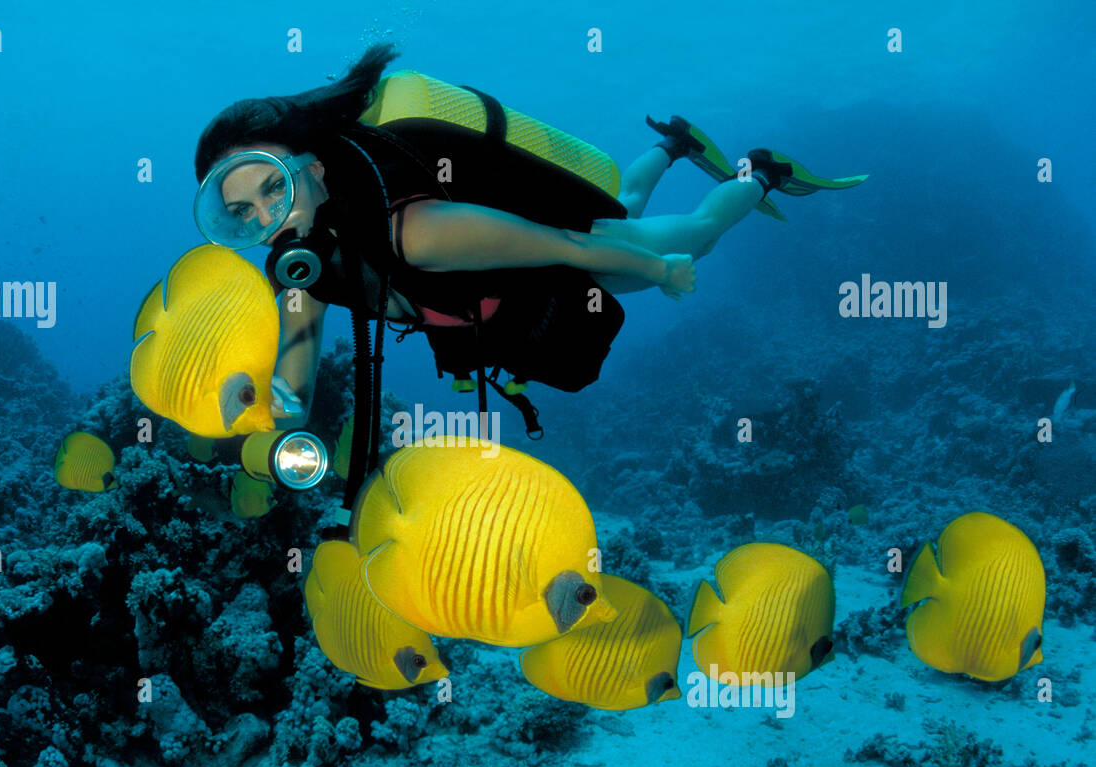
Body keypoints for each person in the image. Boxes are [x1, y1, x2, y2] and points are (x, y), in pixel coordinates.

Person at [192, 44, 864, 460]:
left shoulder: (415, 230)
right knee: (622, 206)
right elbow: (296, 371)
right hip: (528, 258)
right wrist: (262, 414)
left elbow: (566, 244)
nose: (268, 221)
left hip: (557, 250)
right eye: (244, 215)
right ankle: (675, 144)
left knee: (691, 236)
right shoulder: (300, 266)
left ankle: (761, 172)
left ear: (313, 166)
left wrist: (662, 272)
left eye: (273, 189)